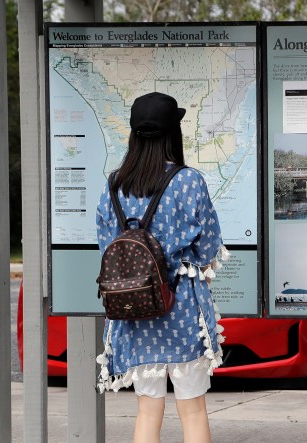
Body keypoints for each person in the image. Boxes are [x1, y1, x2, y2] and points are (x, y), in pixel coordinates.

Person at [95, 92, 228, 443]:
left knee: (147, 410)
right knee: (193, 409)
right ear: (174, 133)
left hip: (134, 308)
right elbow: (209, 245)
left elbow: (108, 247)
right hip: (182, 304)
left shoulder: (115, 184)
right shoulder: (188, 181)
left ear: (134, 135)